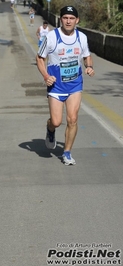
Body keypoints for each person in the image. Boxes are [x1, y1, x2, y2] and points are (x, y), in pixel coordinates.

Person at [36, 6, 95, 165]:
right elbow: (40, 58)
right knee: (56, 121)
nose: (68, 21)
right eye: (65, 18)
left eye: (71, 18)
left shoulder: (82, 37)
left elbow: (87, 56)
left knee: (73, 119)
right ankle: (50, 129)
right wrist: (46, 76)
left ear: (77, 20)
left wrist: (89, 66)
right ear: (60, 19)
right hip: (56, 85)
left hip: (75, 84)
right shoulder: (51, 37)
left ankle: (67, 152)